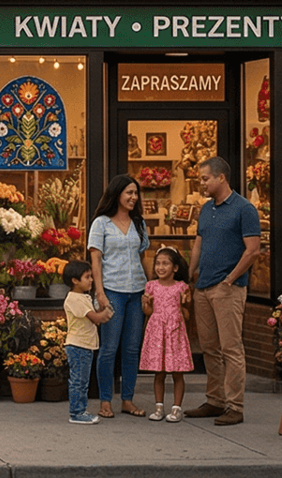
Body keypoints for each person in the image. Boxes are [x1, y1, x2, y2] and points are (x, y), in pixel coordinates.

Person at [186, 156, 262, 426]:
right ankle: (215, 401)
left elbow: (253, 250)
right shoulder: (206, 209)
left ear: (221, 178)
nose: (202, 183)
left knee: (231, 348)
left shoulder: (244, 209)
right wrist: (190, 276)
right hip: (203, 287)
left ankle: (235, 407)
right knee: (209, 348)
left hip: (227, 289)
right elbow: (198, 244)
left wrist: (230, 280)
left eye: (205, 178)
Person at [87, 173, 150, 418]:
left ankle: (127, 399)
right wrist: (100, 293)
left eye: (136, 193)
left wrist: (152, 288)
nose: (134, 197)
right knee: (109, 348)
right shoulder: (101, 223)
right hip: (112, 291)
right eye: (129, 193)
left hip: (137, 292)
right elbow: (95, 260)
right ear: (118, 194)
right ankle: (105, 401)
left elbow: (143, 258)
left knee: (132, 348)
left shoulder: (139, 223)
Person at [140, 247, 192, 423]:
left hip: (174, 332)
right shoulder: (151, 286)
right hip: (157, 331)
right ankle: (159, 407)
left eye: (165, 264)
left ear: (175, 268)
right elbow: (147, 312)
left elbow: (187, 315)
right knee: (159, 372)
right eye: (158, 264)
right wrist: (145, 304)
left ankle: (176, 409)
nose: (160, 267)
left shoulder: (181, 287)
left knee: (177, 372)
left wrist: (185, 305)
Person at [62, 260, 112, 426]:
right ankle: (76, 413)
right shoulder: (75, 299)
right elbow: (96, 319)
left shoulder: (83, 297)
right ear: (75, 281)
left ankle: (80, 410)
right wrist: (108, 312)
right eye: (87, 277)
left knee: (82, 381)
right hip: (78, 346)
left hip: (85, 345)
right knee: (79, 381)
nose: (91, 280)